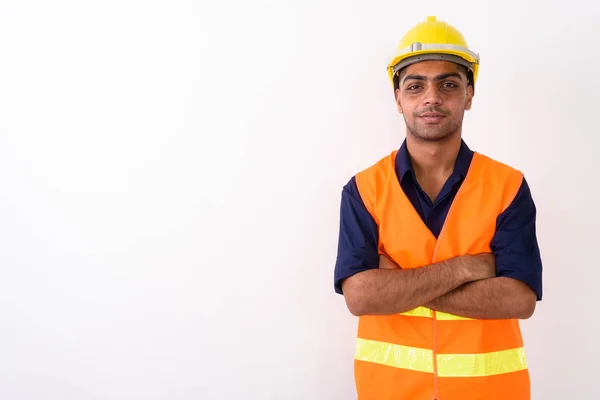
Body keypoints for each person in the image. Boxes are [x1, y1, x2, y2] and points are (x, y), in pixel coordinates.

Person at [333, 16, 543, 400]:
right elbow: (360, 297)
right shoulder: (364, 190)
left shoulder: (508, 186)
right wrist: (467, 267)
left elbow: (519, 298)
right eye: (416, 85)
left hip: (491, 392)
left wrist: (397, 285)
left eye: (448, 83)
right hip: (390, 392)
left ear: (469, 95)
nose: (432, 97)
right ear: (398, 99)